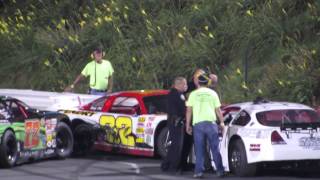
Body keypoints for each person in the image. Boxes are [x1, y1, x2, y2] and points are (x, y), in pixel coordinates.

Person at [186, 73, 225, 178]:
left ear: (198, 82)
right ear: (207, 83)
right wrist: (221, 122)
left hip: (198, 125)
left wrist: (187, 125)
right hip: (211, 124)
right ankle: (220, 171)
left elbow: (189, 111)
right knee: (215, 149)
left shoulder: (193, 94)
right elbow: (218, 110)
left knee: (199, 149)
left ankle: (198, 172)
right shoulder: (213, 94)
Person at [161, 76, 192, 173]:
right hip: (176, 122)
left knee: (178, 145)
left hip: (177, 121)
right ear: (179, 84)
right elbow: (180, 109)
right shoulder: (175, 95)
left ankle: (170, 164)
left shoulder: (178, 94)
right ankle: (172, 166)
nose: (186, 86)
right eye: (185, 84)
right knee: (176, 145)